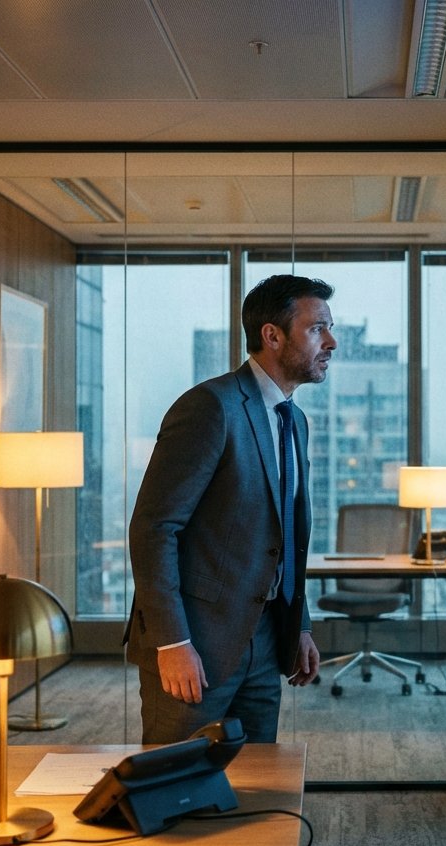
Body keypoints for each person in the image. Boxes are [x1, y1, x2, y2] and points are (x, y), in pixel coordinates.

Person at [125, 274, 335, 744]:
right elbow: (154, 528)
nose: (331, 341)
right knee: (177, 786)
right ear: (272, 335)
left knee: (256, 785)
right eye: (318, 328)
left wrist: (298, 625)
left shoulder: (294, 420)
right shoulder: (210, 407)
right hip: (195, 640)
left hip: (264, 640)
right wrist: (173, 642)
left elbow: (285, 537)